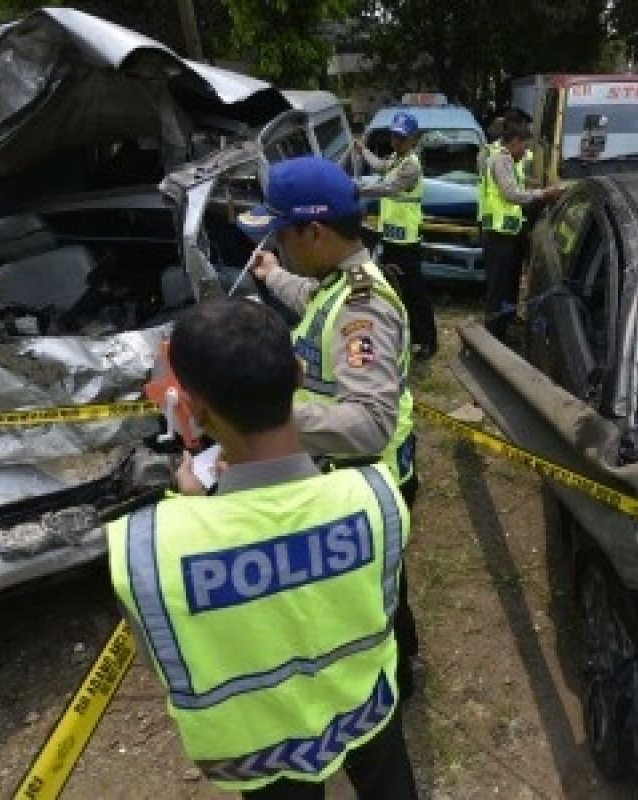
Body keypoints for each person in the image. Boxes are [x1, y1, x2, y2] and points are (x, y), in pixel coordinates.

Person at [107, 298, 418, 799]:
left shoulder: (151, 545)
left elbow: (165, 654)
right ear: (298, 375)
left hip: (256, 748)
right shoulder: (377, 497)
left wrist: (197, 509)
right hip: (366, 707)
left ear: (192, 407)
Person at [238, 156, 422, 700]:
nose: (280, 242)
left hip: (369, 475)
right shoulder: (339, 284)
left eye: (282, 234)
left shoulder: (364, 311)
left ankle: (395, 684)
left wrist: (265, 415)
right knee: (388, 584)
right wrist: (273, 275)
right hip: (359, 474)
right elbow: (316, 303)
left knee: (372, 599)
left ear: (313, 231)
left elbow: (367, 424)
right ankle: (404, 659)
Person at [350, 112, 438, 359]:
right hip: (391, 237)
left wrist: (353, 187)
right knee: (395, 290)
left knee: (414, 292)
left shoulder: (410, 166)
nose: (395, 141)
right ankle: (406, 336)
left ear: (412, 139)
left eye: (401, 137)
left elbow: (386, 187)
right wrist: (363, 149)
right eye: (394, 136)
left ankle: (427, 340)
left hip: (406, 240)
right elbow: (379, 166)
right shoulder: (396, 160)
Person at [479, 120, 563, 344]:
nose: (525, 151)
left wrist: (538, 187)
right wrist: (543, 194)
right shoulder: (500, 160)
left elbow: (519, 185)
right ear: (514, 141)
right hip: (497, 236)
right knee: (498, 288)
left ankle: (505, 325)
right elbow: (511, 194)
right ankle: (493, 335)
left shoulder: (509, 160)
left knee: (509, 285)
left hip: (508, 234)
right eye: (524, 145)